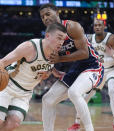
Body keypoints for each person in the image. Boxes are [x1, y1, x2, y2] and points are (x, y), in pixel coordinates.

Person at [39, 3, 104, 131]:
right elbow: (51, 58)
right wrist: (51, 69)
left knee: (74, 92)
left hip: (93, 65)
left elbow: (84, 53)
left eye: (48, 14)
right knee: (47, 99)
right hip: (75, 68)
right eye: (42, 17)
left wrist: (60, 59)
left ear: (57, 13)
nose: (45, 18)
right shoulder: (49, 37)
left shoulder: (72, 27)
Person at [68, 18, 114, 131]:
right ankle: (76, 123)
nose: (97, 27)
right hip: (97, 70)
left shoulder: (111, 38)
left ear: (104, 26)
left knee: (111, 90)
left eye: (99, 25)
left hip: (111, 69)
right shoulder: (89, 38)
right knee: (84, 97)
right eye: (95, 25)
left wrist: (101, 61)